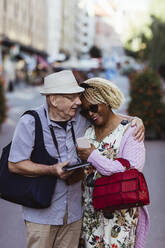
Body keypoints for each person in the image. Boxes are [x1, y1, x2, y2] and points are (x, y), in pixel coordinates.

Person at [8, 70, 145, 248]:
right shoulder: (30, 122)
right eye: (72, 97)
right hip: (42, 215)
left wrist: (136, 120)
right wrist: (51, 170)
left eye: (78, 97)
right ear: (53, 99)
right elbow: (14, 164)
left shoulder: (80, 117)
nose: (78, 102)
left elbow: (109, 114)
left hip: (75, 216)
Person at [77, 78, 149, 248]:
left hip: (120, 217)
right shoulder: (87, 131)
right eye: (85, 111)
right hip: (91, 216)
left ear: (106, 101)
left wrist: (93, 155)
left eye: (93, 107)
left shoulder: (131, 131)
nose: (90, 114)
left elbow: (131, 171)